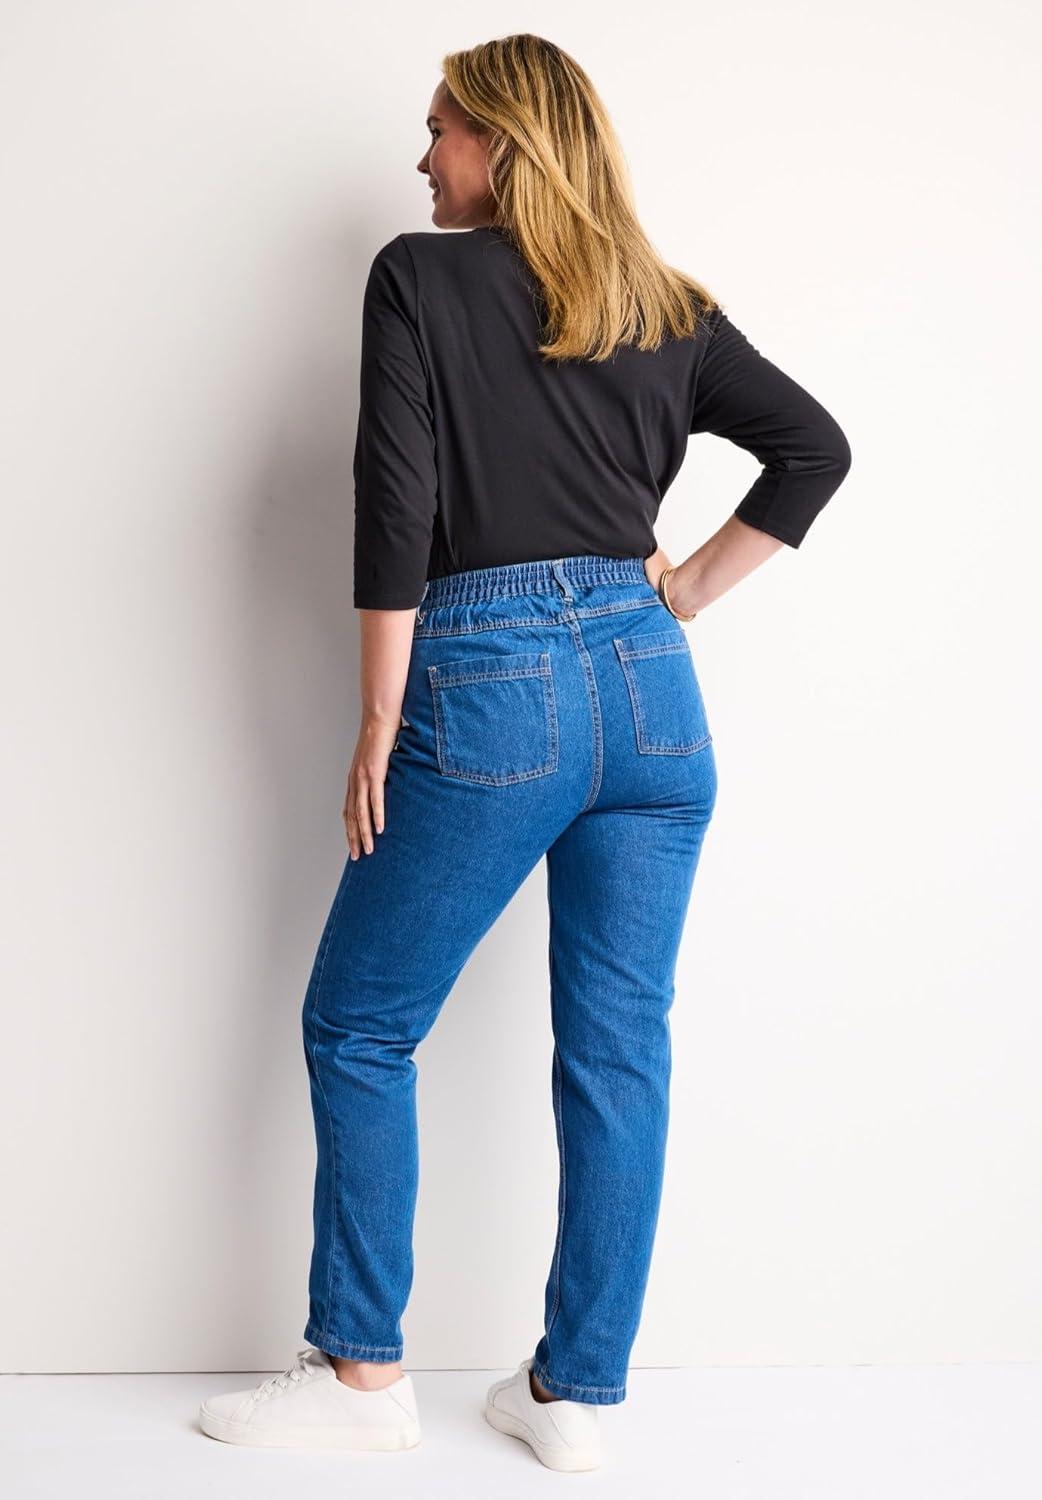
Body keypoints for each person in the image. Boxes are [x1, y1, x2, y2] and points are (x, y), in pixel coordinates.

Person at [199, 33, 851, 1472]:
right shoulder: (668, 306)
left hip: (493, 683)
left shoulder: (417, 279)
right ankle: (574, 1398)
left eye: (440, 127)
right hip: (654, 697)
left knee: (362, 1024)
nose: (421, 156)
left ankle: (361, 1376)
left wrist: (379, 719)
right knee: (619, 1050)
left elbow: (394, 506)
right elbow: (814, 448)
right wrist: (678, 596)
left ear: (502, 142)